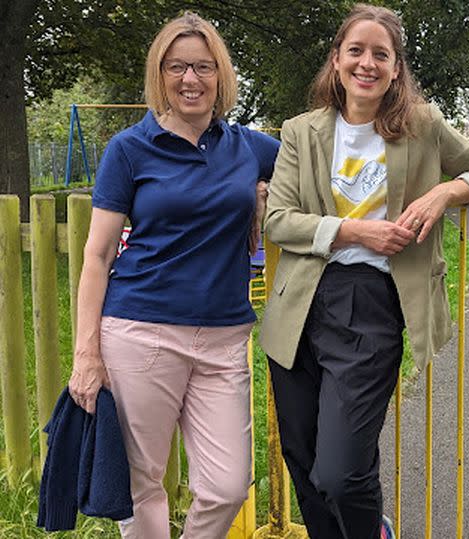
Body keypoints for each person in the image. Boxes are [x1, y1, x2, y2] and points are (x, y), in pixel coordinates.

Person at [259, 4, 469, 538]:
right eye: (356, 51)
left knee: (341, 472)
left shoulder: (422, 126)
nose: (366, 63)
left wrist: (445, 191)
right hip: (299, 304)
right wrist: (354, 231)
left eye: (380, 54)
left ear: (396, 69)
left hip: (371, 304)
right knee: (303, 459)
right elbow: (278, 220)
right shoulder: (302, 132)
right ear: (337, 60)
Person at [67, 12, 280, 539]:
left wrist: (271, 197)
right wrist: (86, 353)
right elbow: (96, 257)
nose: (191, 79)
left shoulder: (249, 148)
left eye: (204, 67)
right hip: (141, 332)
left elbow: (319, 175)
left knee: (229, 485)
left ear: (221, 75)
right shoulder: (129, 149)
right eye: (177, 66)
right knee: (142, 484)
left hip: (225, 337)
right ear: (159, 74)